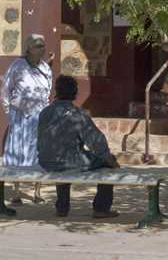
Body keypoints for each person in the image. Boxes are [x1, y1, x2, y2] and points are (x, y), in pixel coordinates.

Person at [37, 74, 120, 218]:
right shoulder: (78, 114)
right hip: (69, 160)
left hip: (45, 161)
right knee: (105, 162)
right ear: (75, 93)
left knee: (63, 159)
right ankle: (101, 208)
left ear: (56, 91)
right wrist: (109, 159)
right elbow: (96, 141)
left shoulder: (45, 112)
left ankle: (62, 207)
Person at [0, 33, 53, 204]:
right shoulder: (17, 66)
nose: (42, 49)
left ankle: (37, 191)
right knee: (18, 151)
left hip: (39, 116)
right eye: (38, 46)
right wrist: (8, 110)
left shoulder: (45, 68)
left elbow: (48, 92)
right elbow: (6, 88)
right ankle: (16, 191)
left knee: (38, 152)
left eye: (43, 46)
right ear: (29, 48)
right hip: (20, 116)